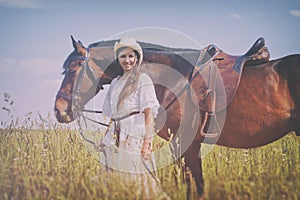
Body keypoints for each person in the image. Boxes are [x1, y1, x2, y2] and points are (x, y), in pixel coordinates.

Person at [95, 37, 169, 199]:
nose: (127, 60)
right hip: (115, 136)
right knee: (114, 180)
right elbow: (112, 116)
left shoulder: (143, 80)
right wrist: (104, 139)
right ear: (118, 59)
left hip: (134, 136)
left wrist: (147, 144)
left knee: (138, 180)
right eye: (123, 56)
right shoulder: (115, 82)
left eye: (130, 56)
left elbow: (149, 115)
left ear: (136, 58)